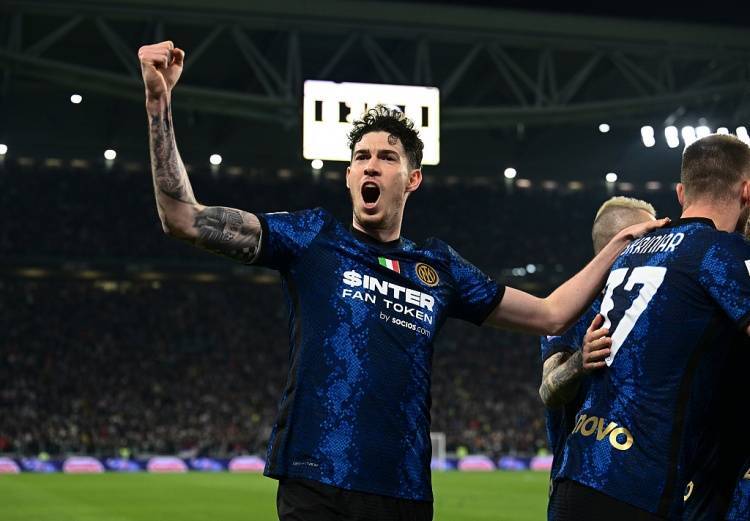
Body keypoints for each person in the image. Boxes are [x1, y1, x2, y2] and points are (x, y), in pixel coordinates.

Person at [138, 40, 665, 521]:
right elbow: (183, 218)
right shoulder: (312, 238)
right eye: (361, 158)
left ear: (412, 179)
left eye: (386, 158)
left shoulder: (438, 267)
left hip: (402, 493)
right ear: (349, 176)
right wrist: (159, 102)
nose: (371, 166)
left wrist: (617, 245)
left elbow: (550, 314)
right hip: (314, 481)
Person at [551, 134, 750, 521]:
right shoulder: (721, 253)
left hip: (576, 472)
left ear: (680, 192)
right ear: (746, 191)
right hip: (638, 484)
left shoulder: (633, 251)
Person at [538, 196, 656, 515]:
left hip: (647, 485)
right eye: (650, 238)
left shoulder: (657, 303)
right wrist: (581, 360)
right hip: (583, 486)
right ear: (620, 245)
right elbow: (548, 390)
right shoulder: (573, 309)